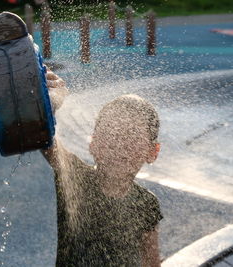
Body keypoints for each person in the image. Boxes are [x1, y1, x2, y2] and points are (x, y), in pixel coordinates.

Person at [41, 69, 163, 266]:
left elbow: (152, 262)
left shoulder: (147, 203)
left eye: (132, 137)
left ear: (153, 151)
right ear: (93, 143)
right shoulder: (76, 178)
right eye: (111, 134)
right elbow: (44, 138)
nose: (119, 145)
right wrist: (48, 103)